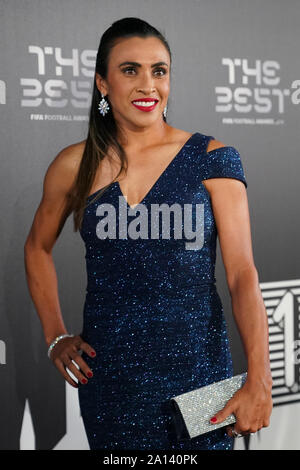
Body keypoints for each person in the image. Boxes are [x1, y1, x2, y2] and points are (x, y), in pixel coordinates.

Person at [24, 17, 273, 450]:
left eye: (159, 71)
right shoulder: (73, 165)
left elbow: (242, 275)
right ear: (103, 83)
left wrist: (260, 380)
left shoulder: (213, 159)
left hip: (199, 380)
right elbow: (37, 248)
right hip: (111, 387)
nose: (147, 85)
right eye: (129, 70)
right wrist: (56, 336)